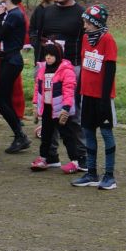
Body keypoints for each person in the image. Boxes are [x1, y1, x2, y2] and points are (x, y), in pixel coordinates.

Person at [75, 4, 118, 189]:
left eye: (88, 22)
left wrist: (105, 98)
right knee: (88, 131)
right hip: (87, 95)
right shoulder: (85, 38)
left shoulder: (107, 39)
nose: (84, 26)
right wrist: (79, 90)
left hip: (102, 97)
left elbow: (110, 70)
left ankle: (109, 176)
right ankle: (91, 173)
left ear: (97, 23)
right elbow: (85, 66)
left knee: (106, 133)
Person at [29, 42, 83, 174]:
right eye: (46, 54)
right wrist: (36, 105)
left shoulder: (66, 71)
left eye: (51, 55)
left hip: (61, 110)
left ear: (58, 56)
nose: (48, 57)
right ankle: (44, 158)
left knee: (67, 136)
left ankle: (75, 161)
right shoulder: (42, 69)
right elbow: (37, 89)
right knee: (46, 135)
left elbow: (69, 91)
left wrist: (66, 108)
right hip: (46, 109)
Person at [0, 0, 32, 154]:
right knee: (4, 99)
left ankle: (20, 135)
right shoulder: (12, 13)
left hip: (12, 61)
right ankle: (19, 135)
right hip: (8, 59)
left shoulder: (14, 14)